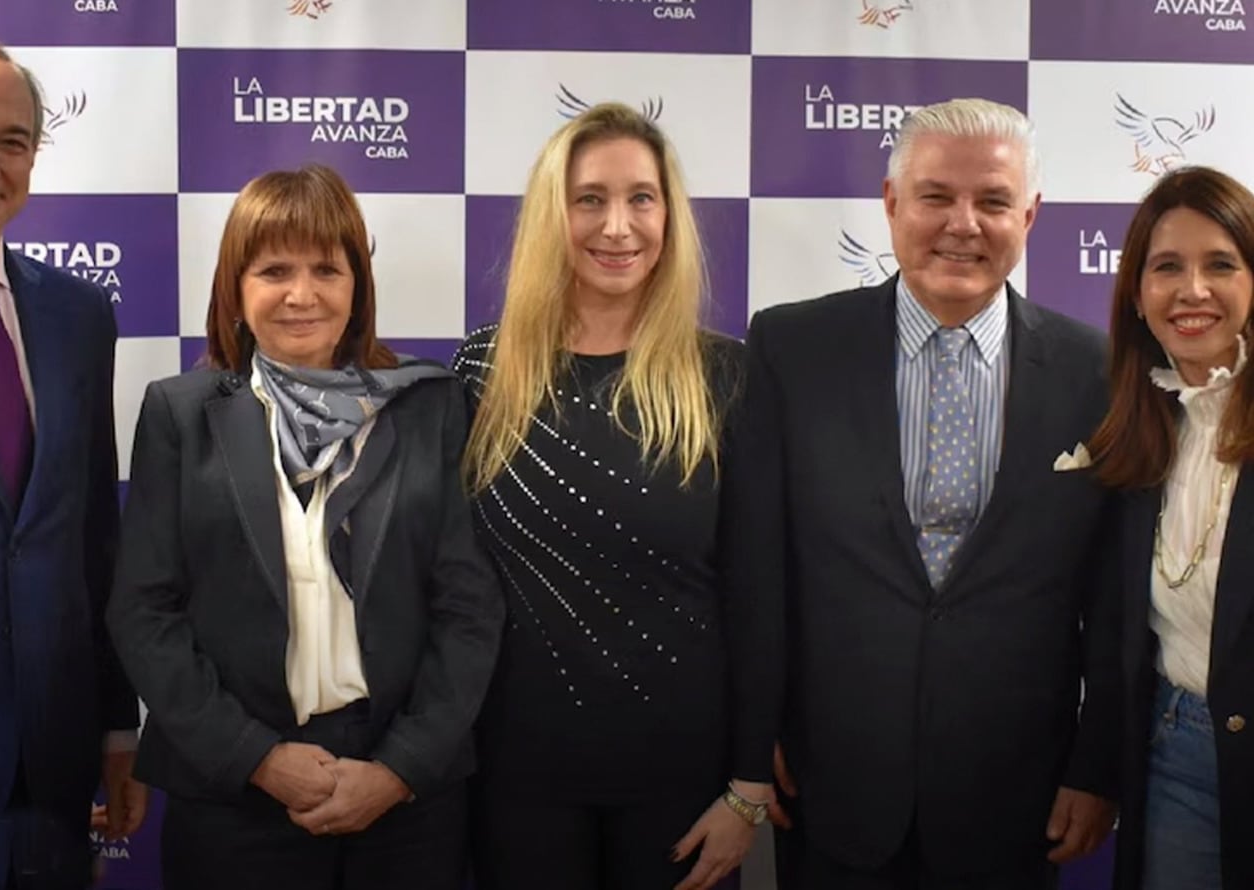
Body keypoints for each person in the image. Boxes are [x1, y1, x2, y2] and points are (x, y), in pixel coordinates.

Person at [722, 97, 1121, 889]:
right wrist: (749, 736)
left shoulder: (1098, 373)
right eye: (936, 196)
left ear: (1032, 214)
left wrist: (1098, 764)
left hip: (1016, 797)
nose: (963, 223)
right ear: (891, 203)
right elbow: (757, 565)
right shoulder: (790, 348)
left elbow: (1110, 595)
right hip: (831, 783)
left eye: (994, 201)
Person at [105, 163, 503, 890]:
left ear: (358, 287)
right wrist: (257, 758)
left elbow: (468, 606)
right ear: (235, 288)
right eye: (274, 269)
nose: (302, 294)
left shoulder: (425, 407)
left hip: (403, 794)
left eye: (327, 268)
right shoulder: (180, 414)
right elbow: (144, 610)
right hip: (236, 793)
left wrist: (399, 769)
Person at [453, 102, 768, 890]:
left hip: (682, 784)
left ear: (670, 215)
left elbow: (762, 596)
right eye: (589, 198)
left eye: (642, 198)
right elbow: (447, 586)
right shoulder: (483, 373)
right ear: (550, 216)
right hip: (513, 779)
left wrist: (749, 786)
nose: (618, 227)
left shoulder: (725, 378)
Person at [0, 30, 144, 889]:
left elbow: (94, 541)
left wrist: (117, 728)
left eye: (13, 142)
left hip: (52, 782)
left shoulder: (78, 317)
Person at [1085, 166, 1254, 890]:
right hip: (1173, 753)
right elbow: (1115, 631)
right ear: (1137, 293)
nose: (1192, 291)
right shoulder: (1138, 430)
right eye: (1166, 268)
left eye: (1221, 264)